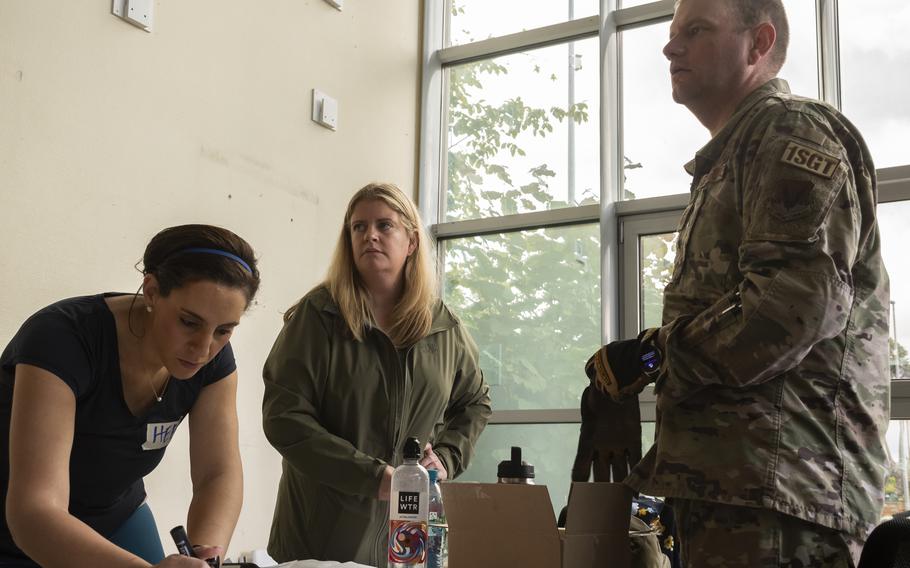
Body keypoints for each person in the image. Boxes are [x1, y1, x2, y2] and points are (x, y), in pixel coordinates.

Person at [586, 1, 890, 566]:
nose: (670, 48)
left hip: (784, 500)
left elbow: (789, 309)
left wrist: (657, 355)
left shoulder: (789, 131)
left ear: (759, 43)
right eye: (672, 33)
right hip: (744, 494)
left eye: (696, 31)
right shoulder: (738, 152)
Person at [0, 224, 261, 568]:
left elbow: (218, 473)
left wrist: (204, 553)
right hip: (18, 530)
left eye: (224, 330)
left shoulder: (213, 362)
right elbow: (33, 514)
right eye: (189, 322)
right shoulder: (61, 340)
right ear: (151, 291)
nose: (203, 348)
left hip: (116, 516)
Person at [262, 182, 491, 567]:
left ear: (412, 242)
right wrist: (373, 477)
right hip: (320, 539)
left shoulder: (444, 328)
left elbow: (475, 402)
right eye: (358, 227)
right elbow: (284, 418)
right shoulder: (317, 317)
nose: (370, 235)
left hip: (407, 543)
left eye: (384, 225)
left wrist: (447, 459)